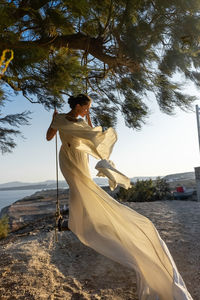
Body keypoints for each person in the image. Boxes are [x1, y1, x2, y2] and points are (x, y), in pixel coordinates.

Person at [46, 94, 192, 300]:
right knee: (80, 191)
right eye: (86, 108)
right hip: (67, 159)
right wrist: (53, 122)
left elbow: (94, 139)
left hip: (80, 159)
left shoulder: (81, 121)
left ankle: (81, 223)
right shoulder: (60, 119)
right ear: (77, 106)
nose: (87, 111)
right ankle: (79, 223)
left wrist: (89, 123)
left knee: (87, 190)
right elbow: (49, 137)